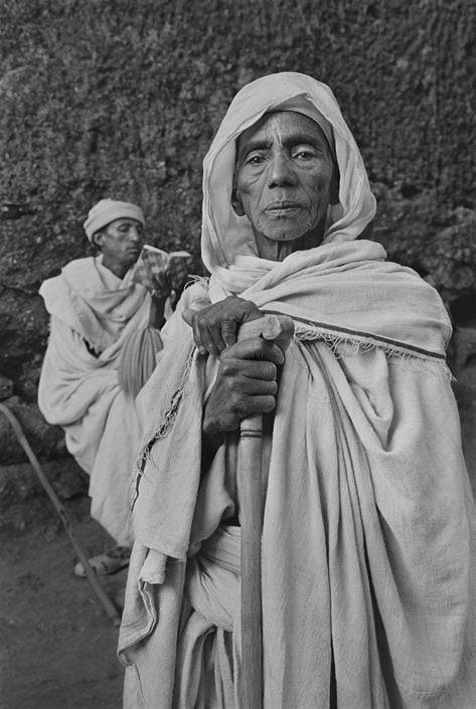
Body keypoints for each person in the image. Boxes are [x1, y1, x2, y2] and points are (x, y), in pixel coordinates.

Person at [118, 73, 476, 707]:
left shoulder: (394, 309)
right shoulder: (198, 314)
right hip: (229, 630)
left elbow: (430, 504)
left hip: (348, 623)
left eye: (303, 151)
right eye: (256, 157)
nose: (279, 174)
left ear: (337, 182)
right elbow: (145, 498)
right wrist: (208, 421)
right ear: (233, 190)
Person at [38, 199, 170, 574]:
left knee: (138, 400)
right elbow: (69, 360)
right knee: (124, 399)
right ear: (99, 238)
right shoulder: (70, 287)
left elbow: (155, 348)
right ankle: (130, 538)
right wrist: (114, 377)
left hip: (134, 381)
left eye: (138, 230)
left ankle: (138, 536)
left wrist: (160, 299)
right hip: (80, 386)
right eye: (123, 230)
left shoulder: (145, 284)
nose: (134, 238)